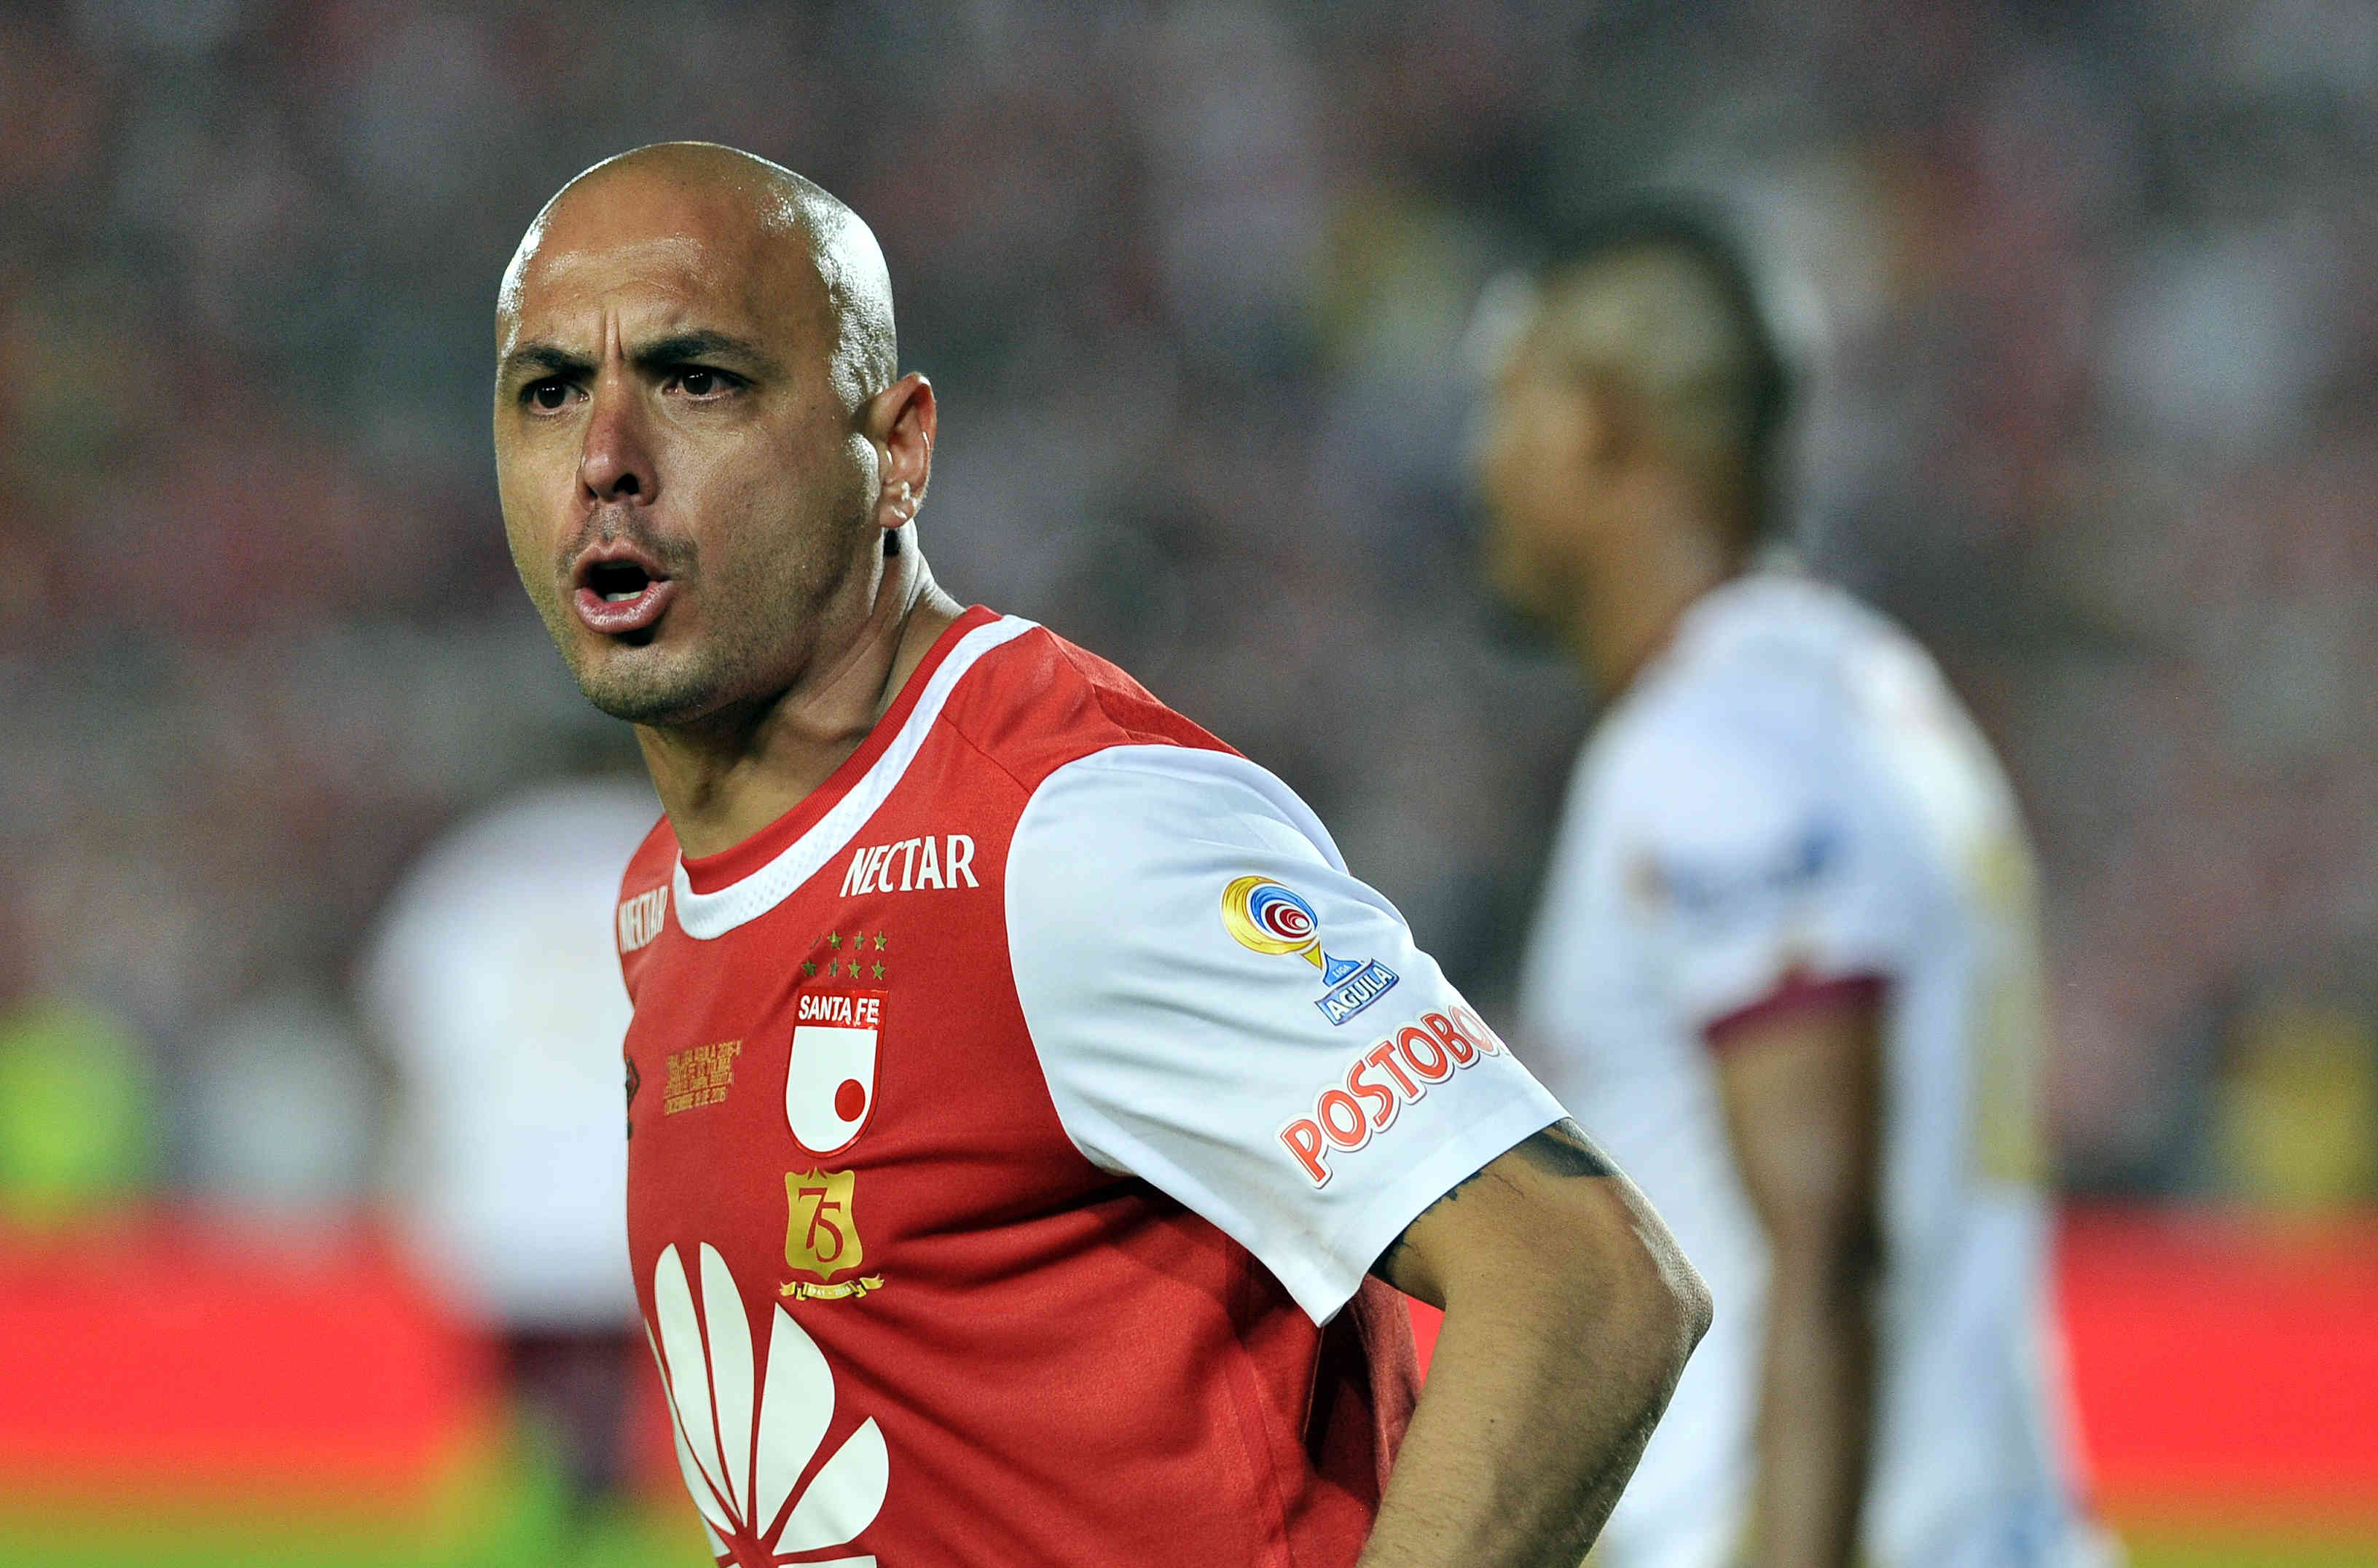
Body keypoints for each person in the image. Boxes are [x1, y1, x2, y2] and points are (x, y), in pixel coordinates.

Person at [488, 141, 1708, 1568]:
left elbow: (1588, 1283)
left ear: (898, 452)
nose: (605, 458)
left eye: (699, 379)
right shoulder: (664, 897)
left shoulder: (1068, 829)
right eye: (551, 388)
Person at [1471, 208, 2116, 1568]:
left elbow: (1824, 1248)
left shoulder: (1711, 747)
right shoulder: (1872, 698)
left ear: (1597, 424)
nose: (1484, 463)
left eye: (1507, 405)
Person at [360, 776, 661, 1524]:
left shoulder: (471, 875)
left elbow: (400, 1026)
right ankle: (593, 1491)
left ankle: (552, 1489)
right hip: (629, 1168)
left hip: (502, 1173)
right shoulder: (656, 846)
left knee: (527, 1360)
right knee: (600, 1363)